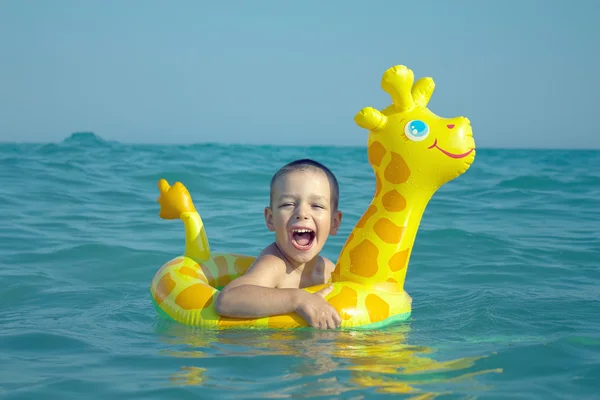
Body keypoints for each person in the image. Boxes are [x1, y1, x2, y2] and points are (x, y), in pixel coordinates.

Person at [215, 159, 344, 329]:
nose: (302, 213)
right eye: (288, 204)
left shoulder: (328, 269)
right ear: (270, 219)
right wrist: (298, 299)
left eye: (316, 205)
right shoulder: (274, 265)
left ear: (334, 223)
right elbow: (227, 300)